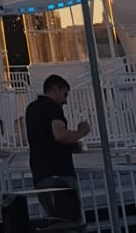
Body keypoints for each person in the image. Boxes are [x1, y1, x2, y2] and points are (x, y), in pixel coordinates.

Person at [25, 73, 89, 224]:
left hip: (40, 175)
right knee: (70, 224)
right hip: (58, 175)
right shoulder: (53, 107)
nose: (65, 101)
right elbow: (59, 135)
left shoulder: (31, 109)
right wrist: (82, 132)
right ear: (55, 89)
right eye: (64, 95)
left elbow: (44, 138)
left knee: (56, 224)